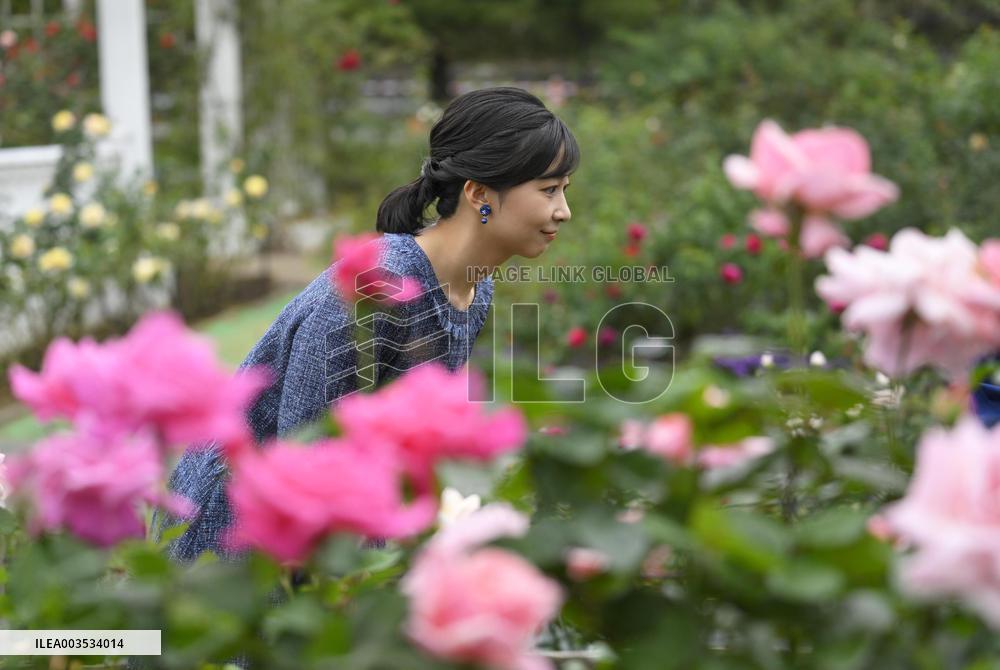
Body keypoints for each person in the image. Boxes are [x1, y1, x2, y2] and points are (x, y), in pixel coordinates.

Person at [154, 86, 579, 564]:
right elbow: (308, 462)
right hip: (236, 535)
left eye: (564, 190)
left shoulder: (474, 287)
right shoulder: (373, 292)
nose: (564, 210)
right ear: (479, 193)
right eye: (548, 190)